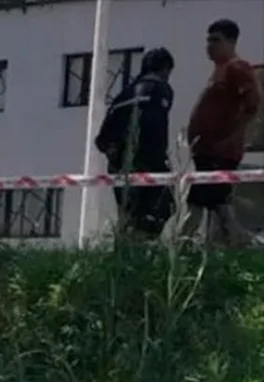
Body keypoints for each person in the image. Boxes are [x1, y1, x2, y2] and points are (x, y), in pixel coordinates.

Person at [183, 18, 262, 245]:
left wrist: (229, 138)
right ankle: (194, 246)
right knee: (216, 206)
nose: (209, 46)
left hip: (220, 154)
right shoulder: (219, 71)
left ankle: (247, 245)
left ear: (231, 41)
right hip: (207, 152)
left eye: (215, 40)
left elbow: (253, 105)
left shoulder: (237, 68)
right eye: (208, 40)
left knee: (207, 205)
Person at [95, 47, 176, 237]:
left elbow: (101, 140)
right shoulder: (160, 88)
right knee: (159, 210)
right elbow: (154, 128)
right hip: (148, 164)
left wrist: (116, 152)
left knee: (129, 215)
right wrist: (159, 161)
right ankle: (140, 254)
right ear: (165, 69)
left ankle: (124, 256)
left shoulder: (123, 95)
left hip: (120, 168)